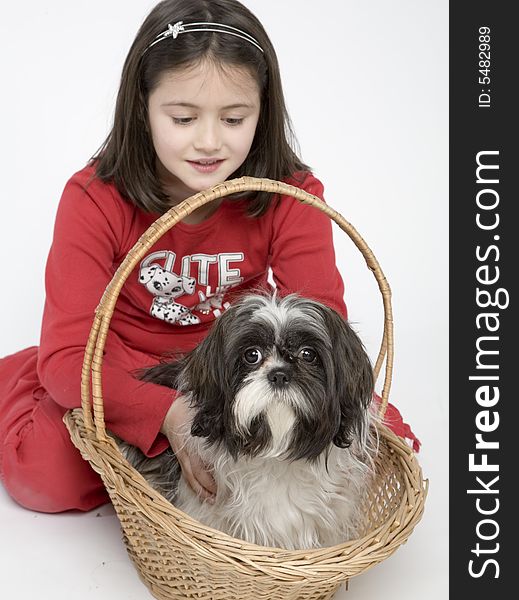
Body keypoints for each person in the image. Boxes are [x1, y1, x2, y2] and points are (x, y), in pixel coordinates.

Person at [0, 0, 417, 514]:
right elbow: (71, 360)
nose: (208, 141)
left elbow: (322, 327)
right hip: (125, 368)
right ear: (141, 107)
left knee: (384, 437)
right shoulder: (94, 197)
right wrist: (168, 414)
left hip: (235, 365)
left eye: (235, 118)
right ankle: (17, 394)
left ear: (263, 113)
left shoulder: (290, 193)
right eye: (182, 117)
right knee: (46, 479)